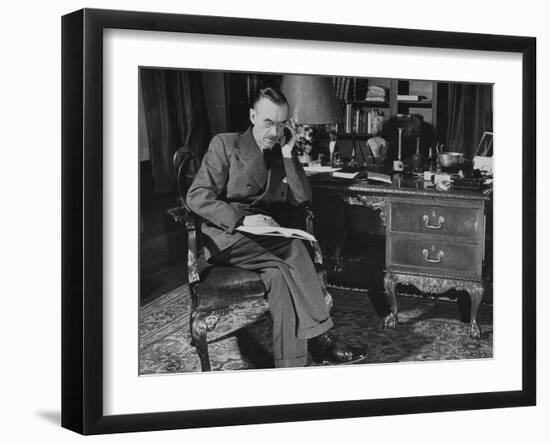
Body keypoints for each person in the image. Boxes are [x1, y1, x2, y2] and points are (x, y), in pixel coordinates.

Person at [186, 86, 366, 368]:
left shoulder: (282, 149)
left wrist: (287, 154)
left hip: (266, 239)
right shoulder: (225, 144)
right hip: (228, 237)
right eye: (268, 122)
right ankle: (322, 339)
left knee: (280, 276)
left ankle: (289, 367)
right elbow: (197, 196)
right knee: (294, 249)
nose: (274, 131)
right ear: (252, 115)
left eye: (281, 124)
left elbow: (302, 197)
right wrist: (242, 220)